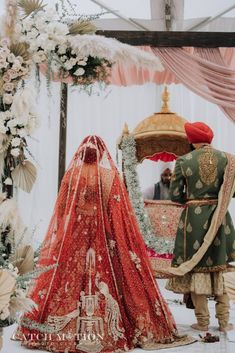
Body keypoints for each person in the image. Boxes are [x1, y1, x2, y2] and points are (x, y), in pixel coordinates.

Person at [15, 136, 190, 352]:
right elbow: (116, 213)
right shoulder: (108, 176)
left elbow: (61, 212)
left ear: (80, 153)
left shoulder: (72, 176)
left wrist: (65, 231)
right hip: (103, 235)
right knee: (113, 277)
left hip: (75, 234)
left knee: (66, 276)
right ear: (101, 154)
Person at [166, 122, 235, 332]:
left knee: (197, 269)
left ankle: (203, 322)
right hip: (220, 218)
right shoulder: (228, 159)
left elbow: (175, 196)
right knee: (220, 269)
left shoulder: (183, 161)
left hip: (193, 222)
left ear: (190, 140)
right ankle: (224, 323)